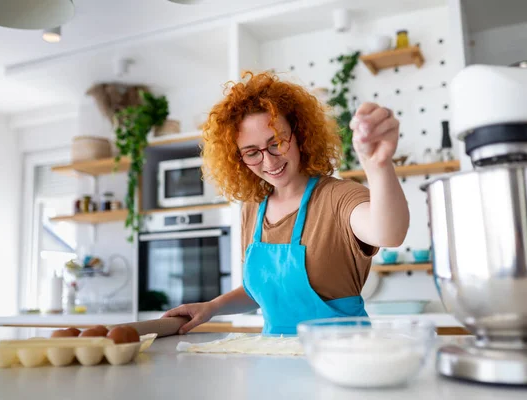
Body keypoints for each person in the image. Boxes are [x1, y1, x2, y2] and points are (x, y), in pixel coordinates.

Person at [162, 71, 409, 335]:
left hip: (341, 358)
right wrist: (211, 308)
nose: (269, 162)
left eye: (277, 143)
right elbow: (263, 290)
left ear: (299, 134)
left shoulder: (338, 197)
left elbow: (388, 233)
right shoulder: (253, 209)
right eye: (252, 152)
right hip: (274, 359)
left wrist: (378, 166)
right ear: (239, 158)